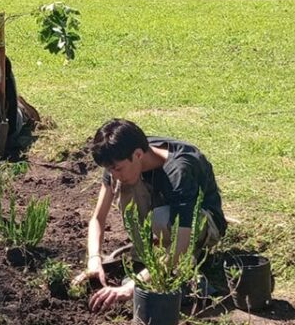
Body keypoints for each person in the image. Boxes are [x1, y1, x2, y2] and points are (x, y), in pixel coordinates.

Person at [84, 118, 226, 312]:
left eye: (117, 169)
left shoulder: (178, 171)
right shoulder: (119, 156)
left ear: (138, 154)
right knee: (126, 187)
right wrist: (94, 259)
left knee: (161, 219)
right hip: (163, 211)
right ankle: (149, 261)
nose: (114, 174)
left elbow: (180, 246)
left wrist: (130, 287)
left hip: (204, 223)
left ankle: (182, 271)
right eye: (109, 170)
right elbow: (97, 218)